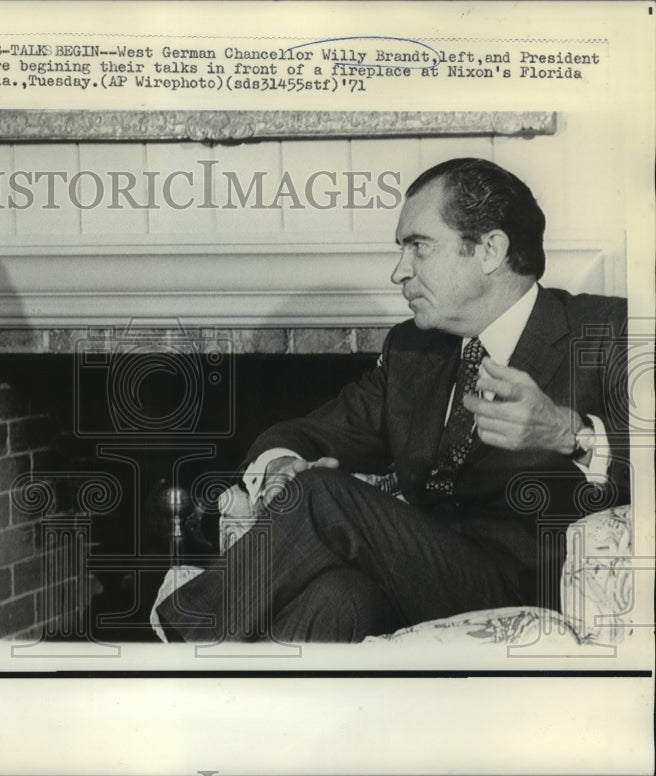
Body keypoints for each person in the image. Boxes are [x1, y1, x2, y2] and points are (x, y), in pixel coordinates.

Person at [156, 158, 630, 642]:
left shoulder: (606, 332)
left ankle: (179, 643)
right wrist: (280, 465)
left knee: (321, 490)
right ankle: (244, 708)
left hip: (534, 584)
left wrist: (571, 434)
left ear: (490, 250)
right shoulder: (413, 350)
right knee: (339, 597)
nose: (397, 272)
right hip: (424, 576)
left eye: (418, 247)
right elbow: (305, 432)